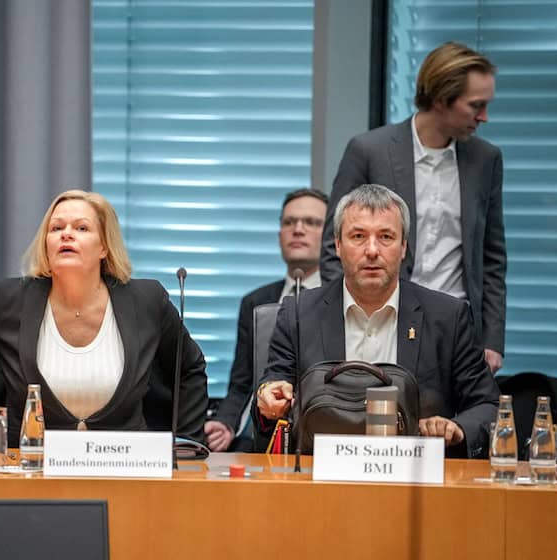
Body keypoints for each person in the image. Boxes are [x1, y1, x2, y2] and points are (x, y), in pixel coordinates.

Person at [0, 190, 208, 446]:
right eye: (56, 228)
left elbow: (190, 368)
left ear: (104, 247)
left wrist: (186, 447)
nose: (66, 234)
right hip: (31, 470)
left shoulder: (147, 300)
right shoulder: (7, 300)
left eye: (82, 228)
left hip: (125, 469)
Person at [259, 184, 500, 458]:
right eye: (358, 236)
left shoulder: (447, 316)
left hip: (416, 477)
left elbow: (487, 405)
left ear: (403, 246)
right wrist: (269, 400)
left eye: (386, 236)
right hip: (322, 478)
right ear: (337, 244)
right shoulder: (299, 312)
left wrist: (456, 428)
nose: (372, 250)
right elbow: (273, 390)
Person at [321, 42, 506, 374]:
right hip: (382, 322)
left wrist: (491, 339)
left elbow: (492, 258)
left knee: (450, 425)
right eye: (476, 105)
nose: (484, 117)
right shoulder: (369, 150)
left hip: (455, 330)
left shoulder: (486, 159)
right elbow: (333, 245)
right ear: (440, 99)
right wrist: (343, 323)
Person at [205, 188, 327, 452]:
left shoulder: (342, 299)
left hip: (323, 434)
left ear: (331, 237)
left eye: (311, 222)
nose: (297, 229)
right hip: (263, 432)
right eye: (289, 222)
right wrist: (224, 423)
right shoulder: (255, 302)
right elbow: (241, 385)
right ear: (279, 235)